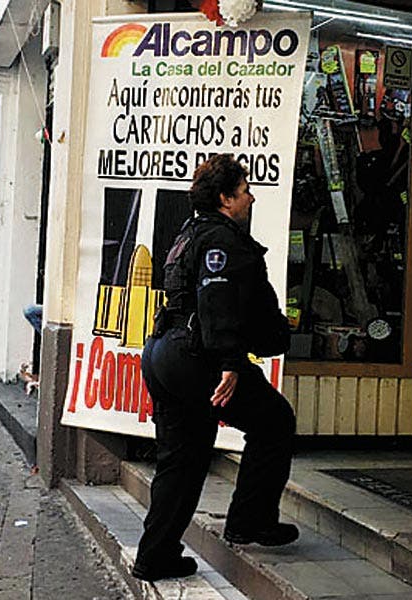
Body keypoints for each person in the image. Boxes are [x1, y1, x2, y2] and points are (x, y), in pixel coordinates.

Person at [131, 155, 296, 582]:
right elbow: (216, 302)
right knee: (275, 421)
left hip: (165, 353)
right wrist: (230, 363)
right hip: (196, 357)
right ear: (225, 198)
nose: (251, 198)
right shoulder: (221, 239)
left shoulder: (189, 234)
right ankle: (250, 522)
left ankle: (155, 556)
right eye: (244, 191)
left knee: (180, 461)